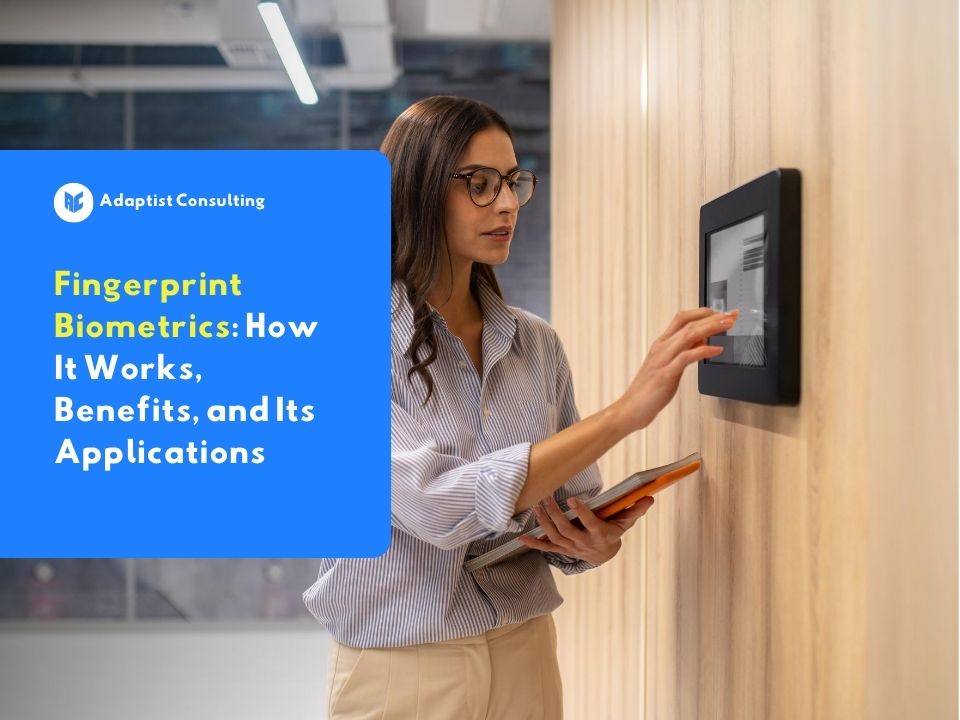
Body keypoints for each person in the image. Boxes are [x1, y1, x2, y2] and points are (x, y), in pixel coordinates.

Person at [303, 95, 738, 719]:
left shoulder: (535, 343)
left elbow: (564, 500)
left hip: (525, 651)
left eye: (511, 181)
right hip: (404, 666)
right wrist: (624, 413)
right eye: (478, 184)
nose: (506, 203)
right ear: (419, 192)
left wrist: (585, 542)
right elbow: (432, 505)